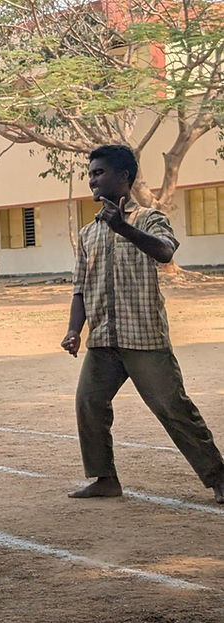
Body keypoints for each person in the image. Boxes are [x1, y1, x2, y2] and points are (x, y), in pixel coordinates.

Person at [61, 144, 224, 503]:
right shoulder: (89, 234)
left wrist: (124, 228)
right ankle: (105, 479)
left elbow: (165, 251)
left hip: (144, 337)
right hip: (103, 340)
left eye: (99, 172)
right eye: (90, 173)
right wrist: (74, 330)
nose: (92, 179)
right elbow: (80, 289)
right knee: (89, 403)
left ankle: (218, 476)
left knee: (173, 408)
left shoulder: (148, 218)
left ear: (124, 177)